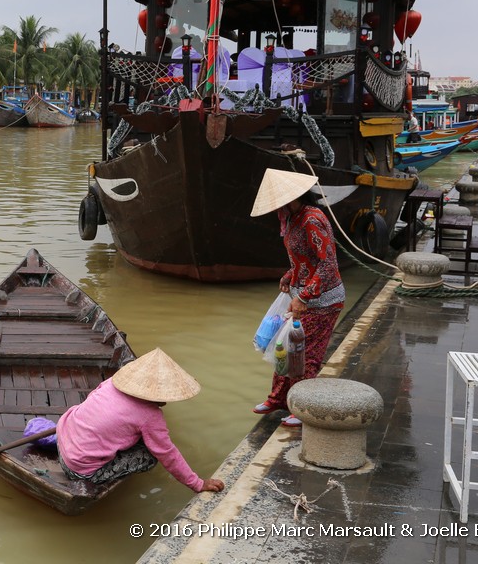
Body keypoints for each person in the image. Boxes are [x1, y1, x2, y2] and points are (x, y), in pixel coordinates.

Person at [249, 168, 345, 428]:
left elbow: (327, 264)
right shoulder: (291, 218)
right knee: (284, 348)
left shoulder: (312, 219)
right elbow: (304, 258)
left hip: (324, 299)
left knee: (304, 354)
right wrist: (290, 275)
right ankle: (278, 398)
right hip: (300, 295)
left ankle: (303, 407)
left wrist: (303, 296)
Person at [56, 348, 225, 493]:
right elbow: (167, 453)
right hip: (79, 471)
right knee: (150, 456)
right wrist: (198, 483)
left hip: (62, 441)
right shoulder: (151, 416)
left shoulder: (111, 383)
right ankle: (98, 478)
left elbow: (91, 401)